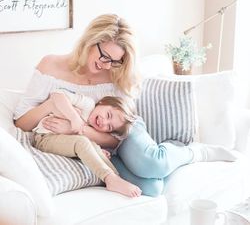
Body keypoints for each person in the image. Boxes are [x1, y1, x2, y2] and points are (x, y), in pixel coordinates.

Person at [14, 13, 237, 197]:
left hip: (121, 127)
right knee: (152, 188)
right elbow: (21, 121)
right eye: (104, 56)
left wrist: (78, 127)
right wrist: (53, 106)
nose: (106, 65)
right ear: (90, 42)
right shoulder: (51, 65)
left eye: (114, 61)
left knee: (153, 164)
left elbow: (116, 135)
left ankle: (194, 153)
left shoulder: (116, 74)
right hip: (91, 142)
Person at [32, 88, 140, 197]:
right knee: (82, 142)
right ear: (103, 102)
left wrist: (96, 149)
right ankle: (109, 178)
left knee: (93, 147)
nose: (104, 122)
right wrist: (74, 118)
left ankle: (115, 178)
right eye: (108, 115)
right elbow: (56, 94)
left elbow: (81, 142)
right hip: (45, 137)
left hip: (64, 142)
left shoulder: (94, 128)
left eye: (109, 127)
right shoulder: (87, 104)